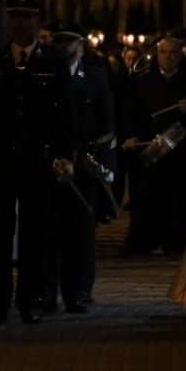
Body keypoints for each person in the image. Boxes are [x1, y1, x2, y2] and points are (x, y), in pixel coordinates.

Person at [0, 0, 76, 324]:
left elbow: (65, 113)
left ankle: (29, 299)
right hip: (2, 159)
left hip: (37, 159)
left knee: (34, 234)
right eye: (15, 17)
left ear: (37, 22)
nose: (21, 24)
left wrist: (64, 155)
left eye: (27, 18)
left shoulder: (53, 61)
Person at [123, 34, 186, 257]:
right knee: (149, 198)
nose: (167, 57)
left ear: (180, 55)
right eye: (163, 53)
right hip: (153, 148)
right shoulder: (145, 80)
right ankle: (144, 242)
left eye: (173, 53)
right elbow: (133, 112)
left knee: (182, 200)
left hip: (184, 150)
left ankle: (179, 243)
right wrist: (132, 135)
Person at [48, 21, 116, 313]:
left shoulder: (96, 78)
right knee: (49, 232)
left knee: (82, 234)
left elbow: (107, 124)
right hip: (54, 164)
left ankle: (79, 290)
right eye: (60, 42)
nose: (65, 48)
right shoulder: (46, 75)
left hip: (85, 164)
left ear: (81, 45)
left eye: (70, 42)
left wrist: (105, 164)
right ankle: (46, 293)